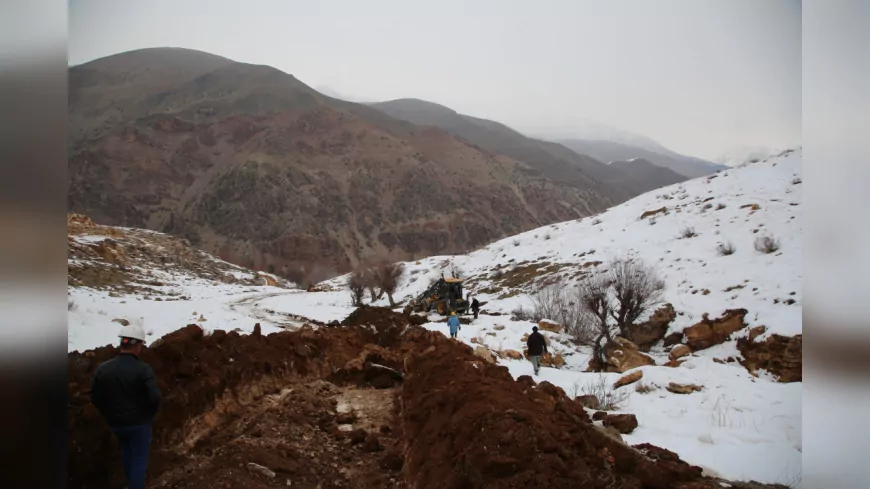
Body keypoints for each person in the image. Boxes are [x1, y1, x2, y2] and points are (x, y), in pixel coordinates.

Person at [91, 324, 161, 489]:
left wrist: (109, 415)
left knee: (127, 452)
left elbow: (95, 398)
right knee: (138, 459)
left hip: (116, 423)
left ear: (122, 343)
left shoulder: (103, 369)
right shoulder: (143, 369)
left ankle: (130, 484)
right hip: (139, 423)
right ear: (137, 346)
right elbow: (155, 397)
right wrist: (149, 414)